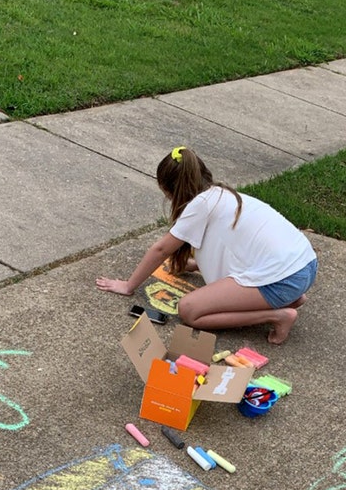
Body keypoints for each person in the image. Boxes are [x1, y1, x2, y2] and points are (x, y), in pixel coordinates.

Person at [95, 146, 318, 345]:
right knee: (220, 293)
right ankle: (288, 298)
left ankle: (277, 315)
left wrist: (128, 285)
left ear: (168, 188)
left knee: (190, 311)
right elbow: (234, 253)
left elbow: (161, 249)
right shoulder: (224, 195)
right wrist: (192, 266)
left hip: (283, 281)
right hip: (305, 266)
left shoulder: (199, 206)